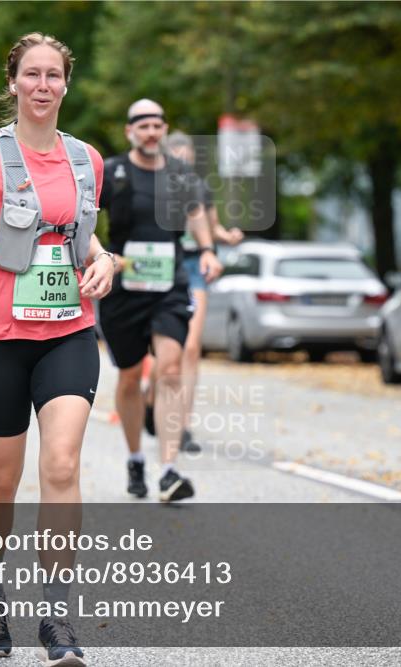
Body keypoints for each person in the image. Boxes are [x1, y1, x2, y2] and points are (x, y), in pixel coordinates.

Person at [0, 33, 113, 665]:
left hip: (67, 331)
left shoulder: (86, 159)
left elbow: (81, 238)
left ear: (66, 84)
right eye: (30, 75)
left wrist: (106, 261)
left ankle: (58, 615)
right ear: (13, 83)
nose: (42, 85)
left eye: (53, 75)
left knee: (61, 466)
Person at [97, 100, 222, 503]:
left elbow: (197, 212)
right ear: (129, 131)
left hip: (169, 284)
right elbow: (82, 216)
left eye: (157, 125)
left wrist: (207, 249)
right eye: (143, 126)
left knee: (169, 368)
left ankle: (168, 470)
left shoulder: (181, 174)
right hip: (125, 287)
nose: (152, 132)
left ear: (165, 130)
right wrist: (97, 258)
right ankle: (135, 457)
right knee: (131, 376)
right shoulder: (112, 173)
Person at [143, 130, 244, 452]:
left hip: (193, 269)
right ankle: (151, 397)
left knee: (190, 347)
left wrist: (226, 238)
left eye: (188, 160)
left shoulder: (200, 188)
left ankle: (182, 425)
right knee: (164, 351)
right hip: (161, 267)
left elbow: (210, 228)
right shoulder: (154, 187)